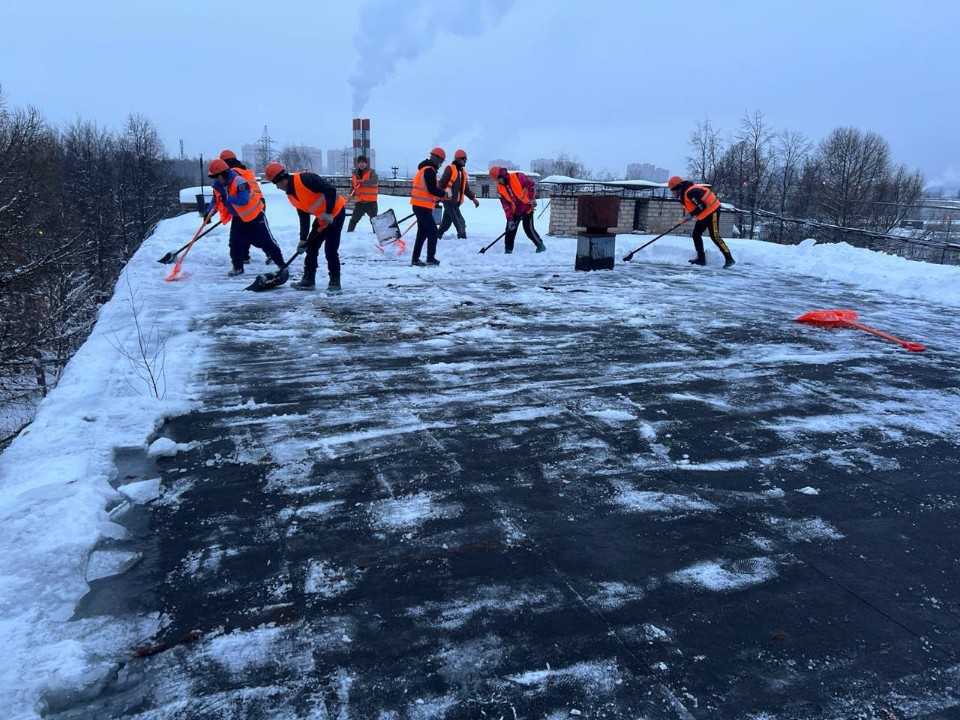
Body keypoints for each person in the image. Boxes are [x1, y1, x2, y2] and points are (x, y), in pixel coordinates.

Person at [264, 161, 346, 292]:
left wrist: (329, 213)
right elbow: (303, 216)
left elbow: (330, 190)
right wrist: (303, 239)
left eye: (276, 183)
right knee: (311, 246)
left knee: (330, 250)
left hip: (335, 212)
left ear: (282, 178)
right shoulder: (291, 196)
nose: (277, 187)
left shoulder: (305, 179)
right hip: (322, 218)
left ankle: (335, 281)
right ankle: (308, 280)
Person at [206, 158, 286, 278]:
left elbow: (243, 200)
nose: (216, 180)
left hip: (255, 216)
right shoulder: (218, 186)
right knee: (234, 243)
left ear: (223, 173)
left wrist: (227, 198)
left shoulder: (239, 182)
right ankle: (237, 267)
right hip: (238, 218)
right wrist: (208, 213)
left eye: (217, 177)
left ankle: (281, 264)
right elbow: (215, 200)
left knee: (266, 242)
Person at [667, 175, 735, 268]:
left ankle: (729, 258)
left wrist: (691, 215)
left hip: (712, 211)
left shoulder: (690, 192)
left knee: (714, 235)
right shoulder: (686, 193)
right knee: (696, 234)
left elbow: (701, 206)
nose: (673, 193)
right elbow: (698, 207)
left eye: (673, 191)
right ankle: (701, 259)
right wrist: (690, 215)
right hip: (704, 214)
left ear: (678, 188)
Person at [219, 149, 272, 264]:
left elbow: (226, 194)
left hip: (246, 204)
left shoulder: (230, 174)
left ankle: (246, 255)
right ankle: (250, 254)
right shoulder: (246, 171)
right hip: (259, 202)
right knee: (256, 231)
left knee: (248, 231)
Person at [489, 166, 546, 254]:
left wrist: (532, 198)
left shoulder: (518, 177)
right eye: (496, 180)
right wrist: (510, 219)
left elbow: (531, 184)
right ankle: (508, 250)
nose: (498, 182)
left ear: (502, 175)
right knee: (509, 229)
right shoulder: (500, 188)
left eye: (498, 179)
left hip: (527, 207)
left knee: (528, 229)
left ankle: (540, 245)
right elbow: (505, 205)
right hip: (515, 210)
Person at [409, 147, 447, 267]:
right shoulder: (429, 170)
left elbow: (426, 191)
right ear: (436, 160)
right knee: (432, 231)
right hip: (422, 207)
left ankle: (415, 259)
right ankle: (430, 258)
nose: (441, 165)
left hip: (419, 205)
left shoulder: (424, 169)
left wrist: (438, 197)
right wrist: (444, 193)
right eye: (441, 162)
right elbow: (431, 189)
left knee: (422, 233)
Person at [437, 149, 479, 240]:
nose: (465, 161)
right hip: (448, 201)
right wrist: (439, 196)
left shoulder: (463, 173)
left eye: (465, 159)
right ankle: (462, 240)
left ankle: (437, 236)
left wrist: (473, 199)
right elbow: (441, 183)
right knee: (460, 223)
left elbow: (466, 189)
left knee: (445, 224)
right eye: (464, 159)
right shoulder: (450, 169)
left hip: (455, 203)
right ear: (458, 159)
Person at [346, 155, 379, 233]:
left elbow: (375, 180)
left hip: (371, 202)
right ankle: (349, 233)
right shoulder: (355, 174)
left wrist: (363, 181)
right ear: (357, 164)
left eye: (363, 162)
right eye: (359, 162)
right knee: (354, 219)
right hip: (360, 202)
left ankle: (377, 235)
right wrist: (351, 194)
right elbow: (353, 186)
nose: (361, 164)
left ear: (366, 163)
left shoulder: (371, 172)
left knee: (374, 220)